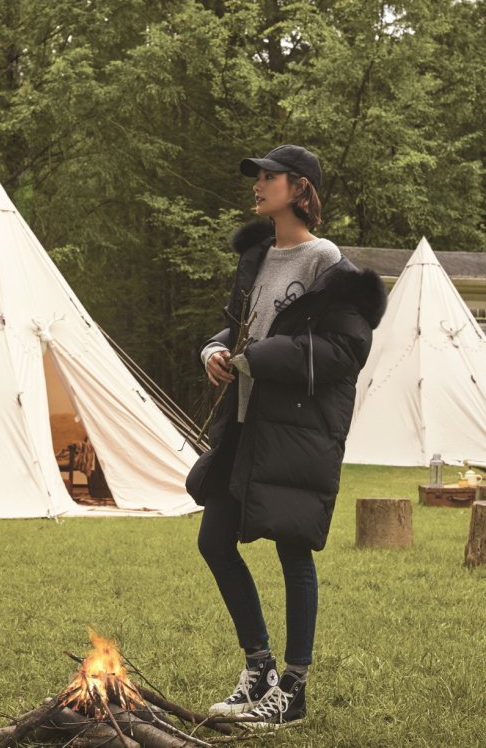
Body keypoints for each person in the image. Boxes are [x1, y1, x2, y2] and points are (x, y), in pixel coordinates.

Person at [186, 144, 387, 727]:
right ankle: (260, 671)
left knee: (292, 549)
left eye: (269, 177)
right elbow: (238, 327)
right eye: (258, 176)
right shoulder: (257, 256)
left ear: (299, 189)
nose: (258, 184)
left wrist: (263, 357)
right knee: (214, 541)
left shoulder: (325, 261)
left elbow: (345, 348)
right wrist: (216, 349)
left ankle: (293, 689)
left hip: (294, 430)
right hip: (244, 425)